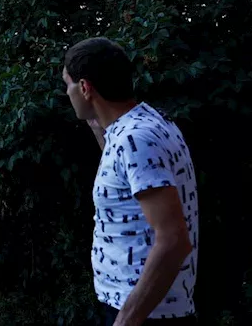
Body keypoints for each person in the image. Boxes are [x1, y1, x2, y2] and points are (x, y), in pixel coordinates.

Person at [62, 37, 198, 326]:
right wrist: (97, 123)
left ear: (85, 88)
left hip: (145, 312)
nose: (66, 92)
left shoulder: (136, 138)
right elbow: (124, 179)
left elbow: (173, 240)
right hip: (140, 305)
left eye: (68, 84)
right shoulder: (143, 124)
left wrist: (126, 320)